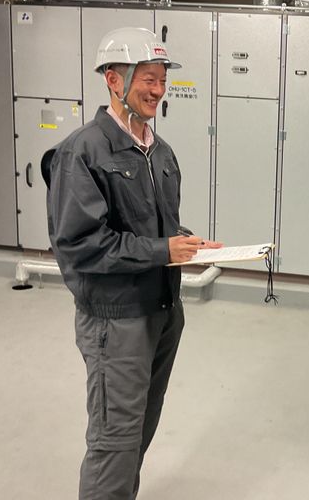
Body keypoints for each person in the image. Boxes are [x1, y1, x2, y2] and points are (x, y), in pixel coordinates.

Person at [42, 27, 221, 499]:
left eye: (163, 80)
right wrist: (163, 251)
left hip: (161, 313)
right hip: (116, 322)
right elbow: (80, 245)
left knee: (139, 432)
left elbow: (151, 227)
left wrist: (186, 242)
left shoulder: (160, 152)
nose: (158, 90)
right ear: (114, 79)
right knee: (114, 444)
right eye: (148, 79)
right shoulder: (82, 151)